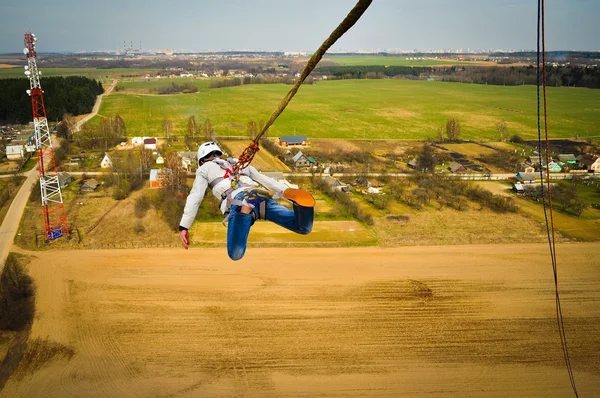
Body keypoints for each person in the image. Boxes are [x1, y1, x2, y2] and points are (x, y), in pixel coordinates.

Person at [179, 141, 315, 260]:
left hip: (238, 200)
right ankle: (302, 207)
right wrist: (285, 191)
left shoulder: (204, 169)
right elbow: (266, 181)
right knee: (303, 228)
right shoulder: (239, 163)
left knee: (235, 254)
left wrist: (184, 226)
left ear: (201, 160)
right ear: (218, 154)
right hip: (261, 196)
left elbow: (195, 196)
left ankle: (245, 210)